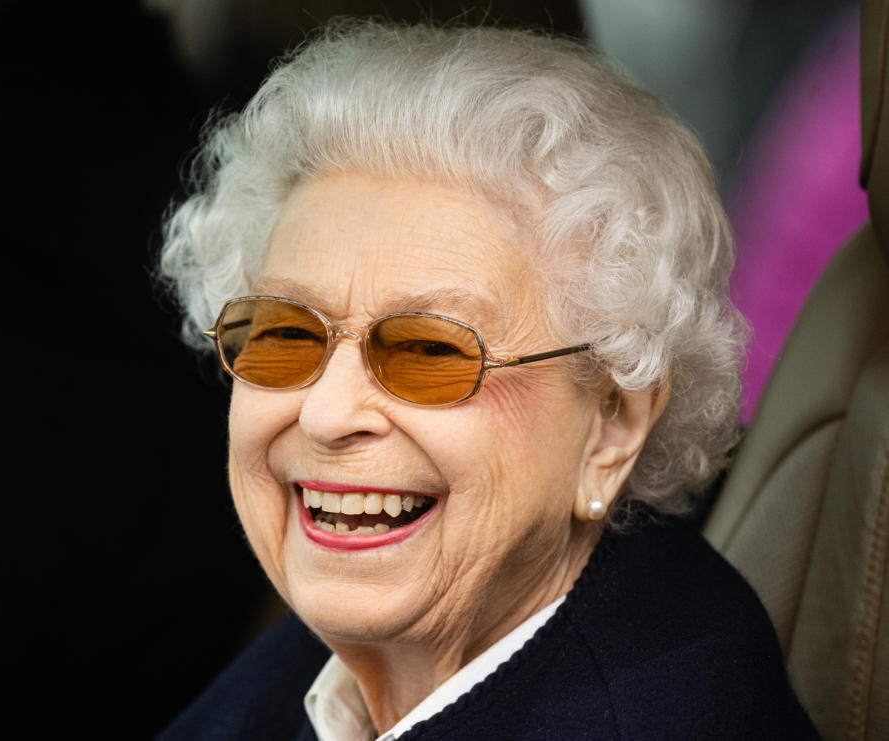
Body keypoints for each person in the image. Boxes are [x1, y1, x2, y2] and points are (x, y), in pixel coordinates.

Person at [156, 21, 819, 740]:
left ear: (611, 424)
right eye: (286, 335)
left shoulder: (658, 713)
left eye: (431, 351)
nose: (325, 413)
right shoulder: (347, 654)